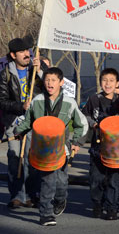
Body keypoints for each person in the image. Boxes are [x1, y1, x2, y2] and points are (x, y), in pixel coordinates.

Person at [15, 67, 88, 226]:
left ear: (61, 82)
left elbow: (81, 124)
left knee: (61, 183)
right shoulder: (37, 100)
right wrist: (18, 131)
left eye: (54, 80)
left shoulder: (69, 102)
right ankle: (46, 214)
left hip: (63, 149)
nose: (50, 83)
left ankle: (61, 200)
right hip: (42, 150)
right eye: (47, 80)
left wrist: (77, 142)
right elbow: (28, 121)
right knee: (47, 182)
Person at [0, 37, 47, 209]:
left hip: (34, 121)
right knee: (14, 159)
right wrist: (21, 106)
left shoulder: (36, 70)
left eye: (28, 50)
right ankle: (17, 196)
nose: (27, 54)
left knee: (31, 159)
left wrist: (41, 71)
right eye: (22, 52)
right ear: (13, 55)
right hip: (14, 122)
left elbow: (50, 88)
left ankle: (30, 195)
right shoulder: (5, 74)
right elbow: (2, 101)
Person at [82, 68, 119, 220]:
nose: (107, 83)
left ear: (117, 83)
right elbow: (85, 114)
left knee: (114, 180)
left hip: (117, 150)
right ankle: (97, 204)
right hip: (98, 147)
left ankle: (112, 208)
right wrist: (93, 124)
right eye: (104, 80)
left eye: (111, 80)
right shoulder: (94, 99)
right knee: (96, 178)